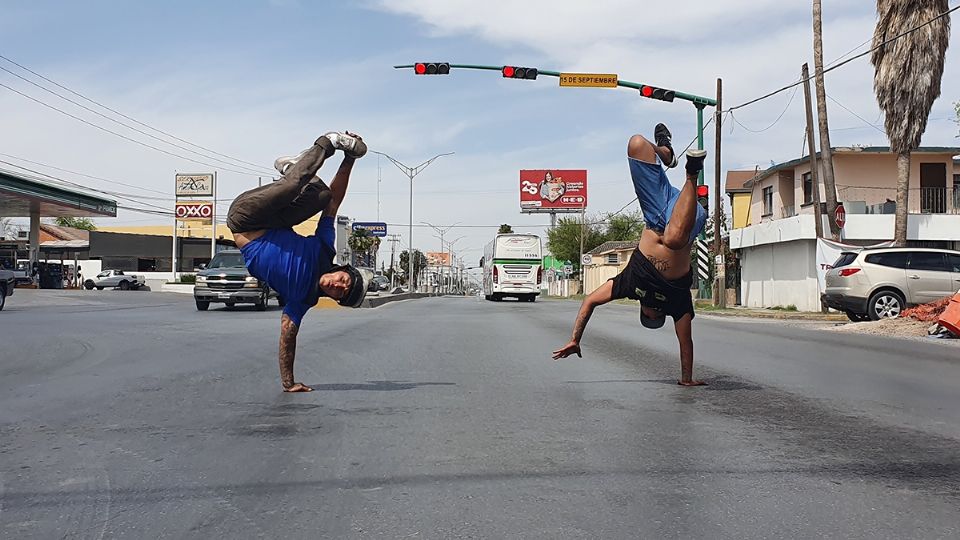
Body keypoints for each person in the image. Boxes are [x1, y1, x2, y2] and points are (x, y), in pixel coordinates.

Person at [552, 123, 709, 386]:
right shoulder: (677, 304)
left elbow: (590, 301)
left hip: (655, 211)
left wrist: (575, 339)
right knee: (673, 239)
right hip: (687, 218)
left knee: (636, 143)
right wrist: (687, 379)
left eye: (649, 316)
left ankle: (666, 150)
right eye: (656, 317)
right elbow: (686, 342)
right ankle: (692, 174)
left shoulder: (629, 286)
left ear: (643, 311)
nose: (654, 312)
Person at [227, 131, 369, 393]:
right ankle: (328, 142)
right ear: (341, 270)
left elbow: (288, 333)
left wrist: (288, 382)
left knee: (303, 187)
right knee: (323, 196)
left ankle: (295, 167)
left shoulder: (303, 299)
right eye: (344, 281)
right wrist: (349, 159)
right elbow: (334, 204)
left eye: (341, 293)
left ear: (334, 299)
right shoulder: (324, 250)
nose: (338, 286)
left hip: (243, 220)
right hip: (267, 214)